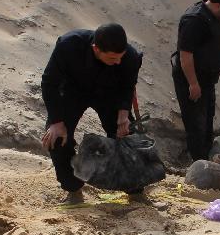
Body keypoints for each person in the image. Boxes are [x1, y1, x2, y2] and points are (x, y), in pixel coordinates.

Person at [40, 24, 143, 204]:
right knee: (55, 138)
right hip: (72, 91)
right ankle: (73, 191)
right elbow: (49, 83)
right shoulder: (68, 45)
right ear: (96, 48)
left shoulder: (130, 57)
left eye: (121, 57)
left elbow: (128, 86)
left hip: (109, 93)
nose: (118, 62)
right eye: (112, 58)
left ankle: (136, 193)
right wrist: (56, 122)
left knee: (128, 138)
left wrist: (123, 115)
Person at [172, 0, 220, 162]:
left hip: (208, 79)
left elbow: (216, 41)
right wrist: (193, 84)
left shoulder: (217, 17)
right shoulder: (195, 20)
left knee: (207, 117)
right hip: (192, 78)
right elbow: (185, 55)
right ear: (217, 5)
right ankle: (198, 163)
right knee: (195, 122)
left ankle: (207, 156)